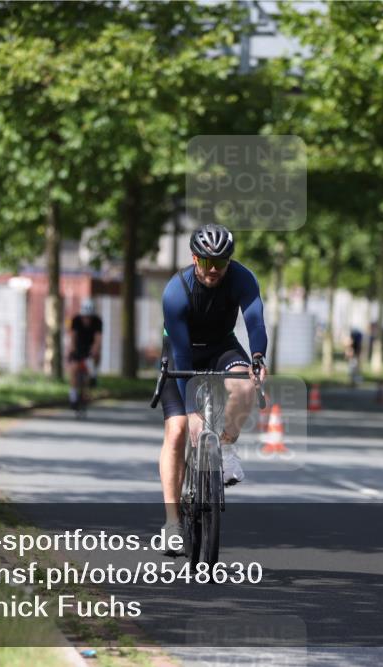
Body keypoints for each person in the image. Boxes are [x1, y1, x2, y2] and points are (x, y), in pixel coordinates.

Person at [158, 223, 267, 551]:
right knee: (178, 430)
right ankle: (172, 523)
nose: (214, 269)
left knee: (245, 386)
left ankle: (227, 448)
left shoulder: (243, 278)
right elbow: (181, 353)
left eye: (221, 262)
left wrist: (258, 357)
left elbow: (255, 321)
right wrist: (192, 411)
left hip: (222, 347)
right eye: (207, 262)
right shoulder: (176, 292)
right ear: (195, 259)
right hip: (181, 351)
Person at [67, 299, 102, 410]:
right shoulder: (76, 320)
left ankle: (93, 376)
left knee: (95, 358)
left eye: (89, 317)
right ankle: (73, 397)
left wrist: (95, 350)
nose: (87, 319)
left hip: (90, 347)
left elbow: (98, 339)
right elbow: (73, 337)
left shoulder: (97, 321)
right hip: (78, 347)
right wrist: (72, 349)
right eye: (85, 317)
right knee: (74, 369)